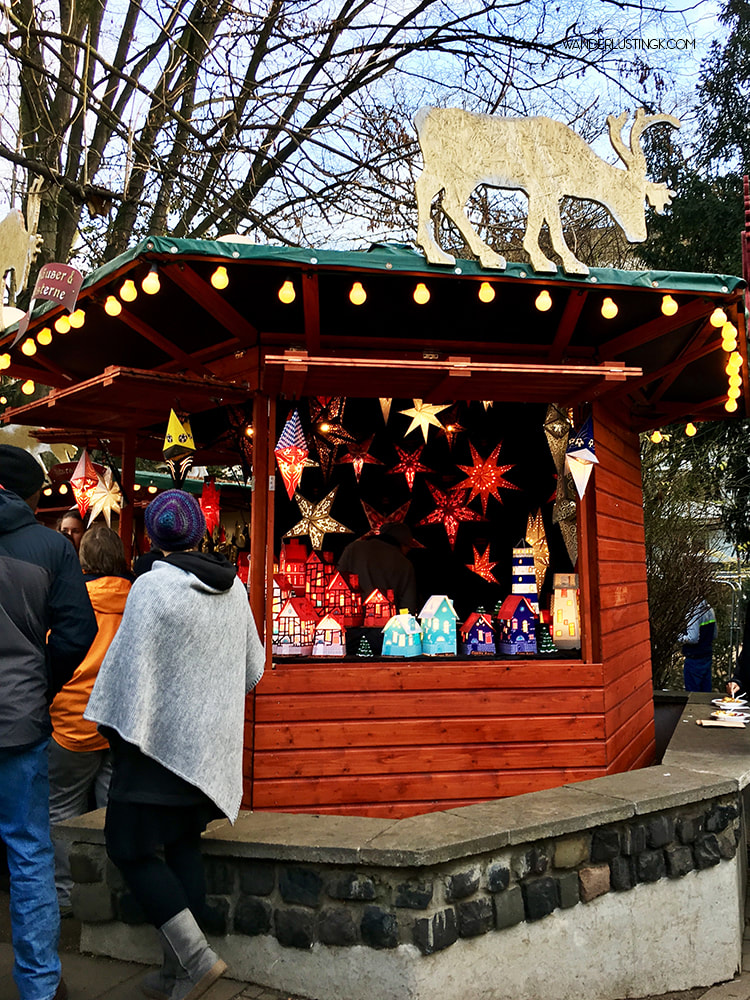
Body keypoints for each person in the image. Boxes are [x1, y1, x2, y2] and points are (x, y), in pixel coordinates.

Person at [84, 490, 265, 1000]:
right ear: (197, 533)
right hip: (208, 752)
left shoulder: (151, 587)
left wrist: (117, 728)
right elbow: (252, 670)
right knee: (183, 843)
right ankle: (173, 976)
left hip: (154, 749)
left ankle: (197, 960)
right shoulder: (234, 589)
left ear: (152, 536)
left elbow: (125, 673)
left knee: (128, 846)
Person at [0, 444, 98, 1000]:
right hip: (19, 722)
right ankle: (39, 986)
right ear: (28, 493)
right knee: (29, 852)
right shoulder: (52, 547)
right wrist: (40, 685)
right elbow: (75, 635)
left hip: (21, 714)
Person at [48, 524, 132, 915]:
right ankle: (109, 893)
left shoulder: (69, 600)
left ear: (82, 559)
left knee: (61, 813)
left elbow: (52, 652)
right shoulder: (138, 600)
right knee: (111, 812)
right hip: (116, 723)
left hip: (71, 723)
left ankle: (66, 897)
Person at [337, 520, 418, 613]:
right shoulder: (405, 564)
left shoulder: (353, 548)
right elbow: (408, 604)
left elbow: (337, 579)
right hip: (387, 622)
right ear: (404, 544)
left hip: (349, 617)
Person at [679, 598, 716, 693]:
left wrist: (678, 636)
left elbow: (692, 638)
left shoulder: (694, 613)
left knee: (693, 694)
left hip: (694, 657)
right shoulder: (709, 609)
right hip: (706, 656)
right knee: (705, 692)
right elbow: (715, 634)